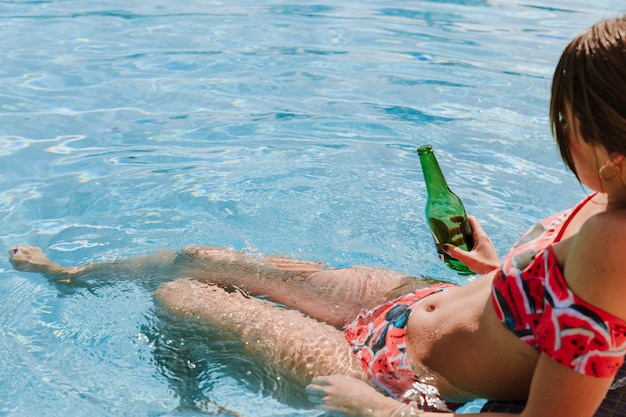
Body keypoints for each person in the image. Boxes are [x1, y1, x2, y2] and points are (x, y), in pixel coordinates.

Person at [8, 15, 626, 417]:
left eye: (567, 124)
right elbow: (549, 319)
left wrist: (383, 411)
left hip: (395, 373)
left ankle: (189, 406)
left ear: (614, 153)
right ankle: (72, 274)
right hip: (413, 301)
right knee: (200, 260)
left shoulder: (613, 246)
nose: (560, 135)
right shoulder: (610, 198)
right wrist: (500, 268)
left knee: (177, 298)